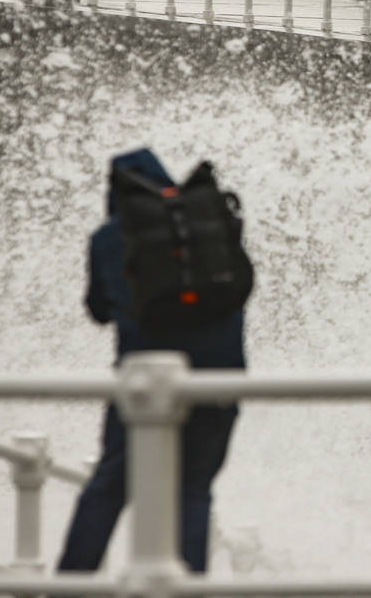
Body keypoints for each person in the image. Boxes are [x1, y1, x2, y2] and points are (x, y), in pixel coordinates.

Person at [56, 148, 244, 575]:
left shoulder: (110, 237)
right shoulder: (209, 230)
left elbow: (99, 310)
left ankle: (70, 585)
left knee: (108, 490)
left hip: (142, 389)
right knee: (193, 491)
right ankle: (187, 586)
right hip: (218, 384)